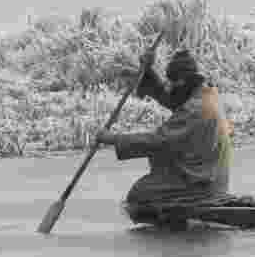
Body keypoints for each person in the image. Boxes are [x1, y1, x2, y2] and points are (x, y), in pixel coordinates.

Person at [95, 47, 235, 225]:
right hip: (209, 175)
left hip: (204, 184)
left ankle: (180, 217)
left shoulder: (196, 109)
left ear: (184, 82)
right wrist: (148, 71)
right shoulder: (206, 93)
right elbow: (172, 99)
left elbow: (159, 140)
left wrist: (113, 139)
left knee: (139, 195)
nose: (170, 87)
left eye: (173, 83)